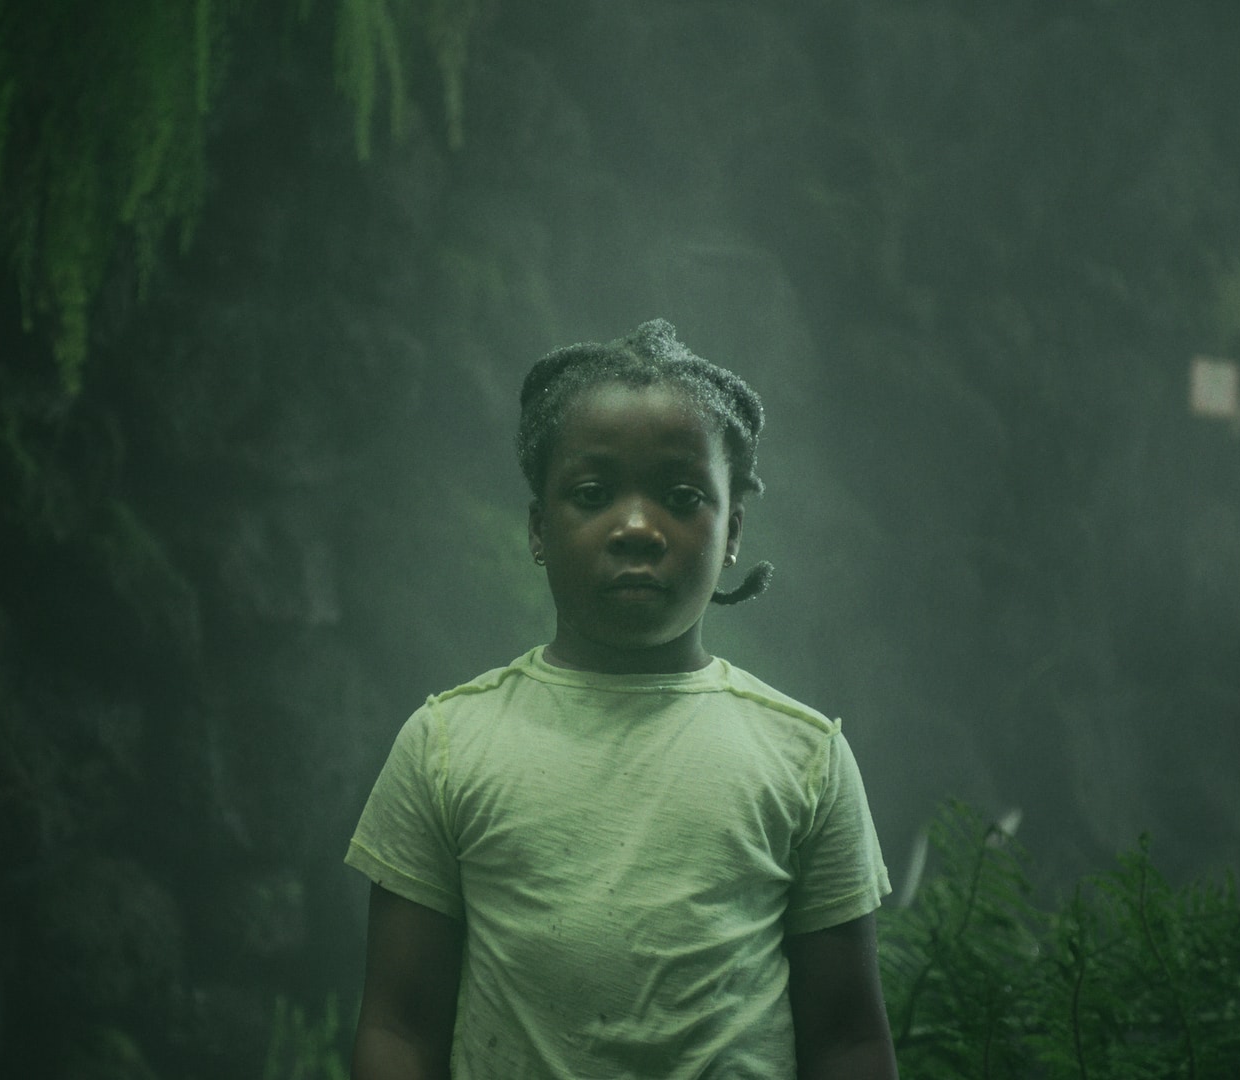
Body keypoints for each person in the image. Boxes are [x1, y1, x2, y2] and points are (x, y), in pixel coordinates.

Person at [346, 319, 896, 1079]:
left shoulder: (805, 759)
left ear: (732, 529)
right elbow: (399, 1030)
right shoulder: (445, 746)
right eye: (594, 493)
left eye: (680, 495)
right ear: (539, 527)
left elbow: (848, 1041)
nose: (637, 527)